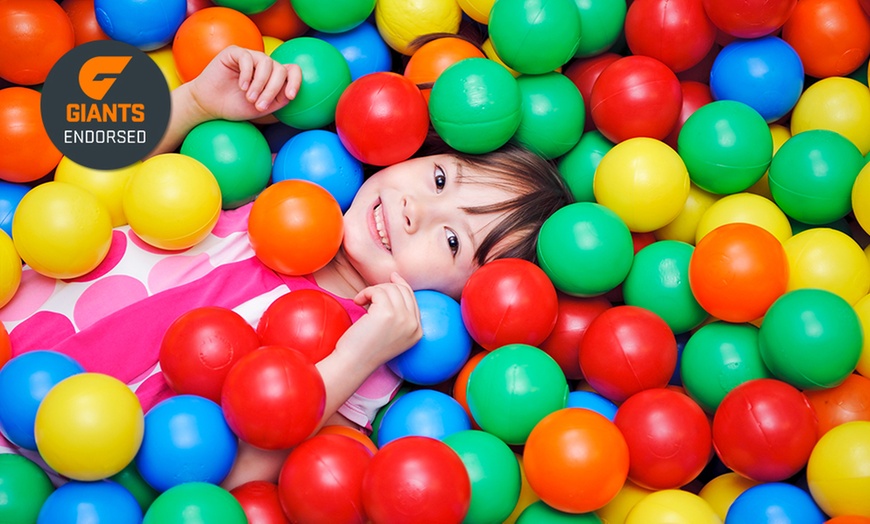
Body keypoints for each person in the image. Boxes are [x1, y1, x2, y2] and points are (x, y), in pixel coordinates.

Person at [0, 45, 573, 488]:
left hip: (47, 465)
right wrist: (194, 103)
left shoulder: (369, 357)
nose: (413, 209)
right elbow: (108, 184)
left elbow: (240, 474)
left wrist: (358, 354)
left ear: (467, 299)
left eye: (452, 240)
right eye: (440, 179)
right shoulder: (272, 195)